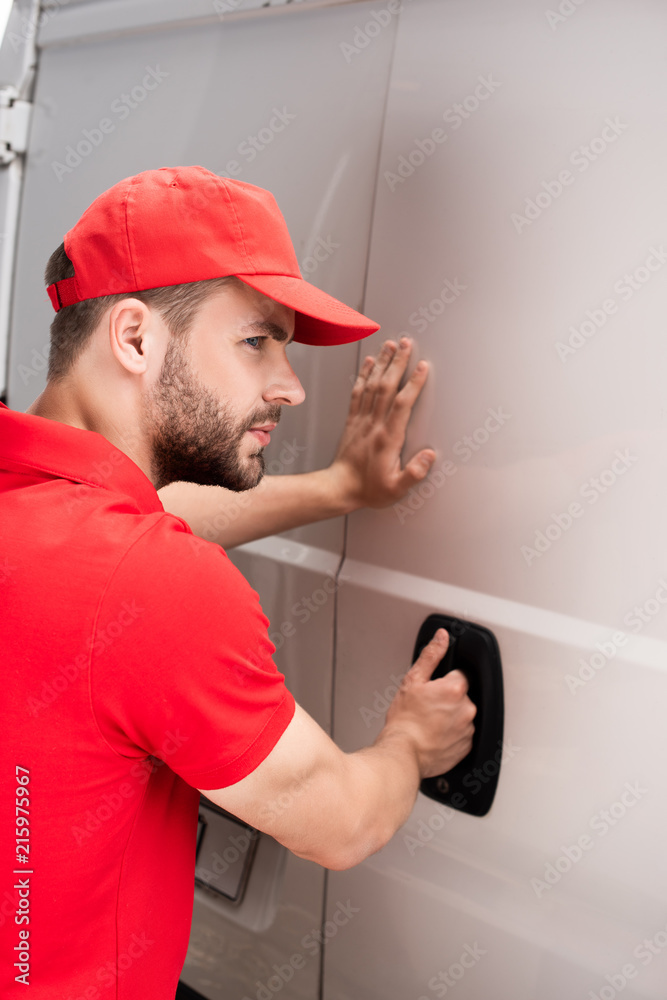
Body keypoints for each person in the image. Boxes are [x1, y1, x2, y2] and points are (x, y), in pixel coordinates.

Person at [0, 166, 475, 1000]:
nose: (290, 385)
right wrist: (410, 742)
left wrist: (337, 489)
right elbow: (342, 822)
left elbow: (117, 527)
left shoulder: (43, 510)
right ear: (135, 338)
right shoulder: (151, 582)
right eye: (257, 341)